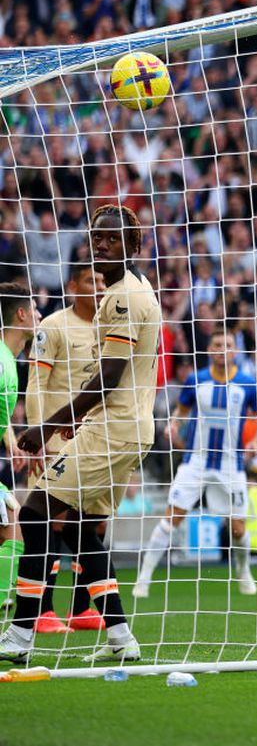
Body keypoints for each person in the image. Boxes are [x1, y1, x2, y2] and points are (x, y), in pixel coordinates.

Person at [3, 204, 162, 664]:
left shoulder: (120, 298)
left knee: (34, 515)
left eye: (113, 239)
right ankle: (120, 637)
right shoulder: (127, 291)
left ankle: (19, 635)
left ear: (133, 246)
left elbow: (109, 376)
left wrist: (47, 426)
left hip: (113, 428)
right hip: (114, 426)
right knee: (74, 527)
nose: (102, 245)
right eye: (97, 237)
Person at [132, 329, 257, 599]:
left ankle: (243, 571)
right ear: (209, 349)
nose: (223, 349)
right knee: (172, 518)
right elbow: (181, 411)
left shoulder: (247, 384)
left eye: (228, 344)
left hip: (232, 464)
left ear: (235, 350)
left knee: (238, 528)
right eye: (218, 344)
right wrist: (174, 424)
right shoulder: (196, 380)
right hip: (195, 461)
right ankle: (144, 578)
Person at [26, 265, 107, 633]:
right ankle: (42, 610)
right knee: (53, 522)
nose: (100, 287)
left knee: (94, 524)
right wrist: (39, 435)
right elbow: (36, 384)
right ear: (73, 286)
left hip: (98, 441)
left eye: (104, 281)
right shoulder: (53, 326)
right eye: (92, 280)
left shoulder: (112, 328)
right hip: (59, 440)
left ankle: (81, 608)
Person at [0, 283, 38, 628]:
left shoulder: (9, 361)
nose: (39, 315)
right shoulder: (2, 362)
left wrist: (9, 437)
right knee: (13, 524)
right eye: (35, 309)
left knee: (12, 524)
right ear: (22, 314)